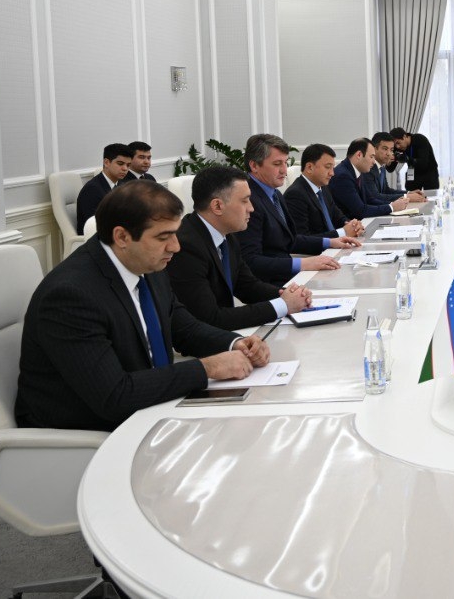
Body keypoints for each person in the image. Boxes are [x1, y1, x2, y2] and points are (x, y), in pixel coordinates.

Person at [15, 180, 271, 432]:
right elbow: (114, 396)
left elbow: (183, 327)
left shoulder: (145, 262)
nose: (176, 246)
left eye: (175, 233)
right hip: (91, 432)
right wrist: (208, 368)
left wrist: (235, 343)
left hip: (151, 406)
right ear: (122, 236)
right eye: (163, 237)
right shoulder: (71, 295)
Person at [167, 166, 311, 330]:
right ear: (217, 206)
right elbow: (210, 318)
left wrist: (288, 294)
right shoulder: (185, 247)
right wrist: (283, 305)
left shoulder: (227, 235)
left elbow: (247, 286)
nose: (251, 208)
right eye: (244, 200)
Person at [236, 133, 355, 285]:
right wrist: (303, 264)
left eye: (285, 163)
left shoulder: (275, 194)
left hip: (288, 277)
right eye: (277, 164)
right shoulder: (247, 200)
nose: (284, 170)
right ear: (254, 166)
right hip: (269, 285)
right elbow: (251, 261)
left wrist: (330, 242)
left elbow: (289, 239)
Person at [284, 143, 365, 238]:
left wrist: (353, 226)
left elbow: (338, 216)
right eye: (327, 167)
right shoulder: (295, 194)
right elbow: (303, 238)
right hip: (320, 247)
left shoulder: (323, 187)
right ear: (309, 167)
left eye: (332, 168)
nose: (332, 173)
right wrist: (342, 232)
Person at [331, 138, 411, 219]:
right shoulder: (343, 176)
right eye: (371, 157)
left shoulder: (357, 170)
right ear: (359, 155)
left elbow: (370, 199)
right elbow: (361, 211)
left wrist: (393, 204)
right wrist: (391, 207)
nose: (373, 161)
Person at [75, 143, 133, 234]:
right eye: (120, 164)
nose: (125, 168)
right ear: (106, 162)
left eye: (128, 165)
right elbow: (94, 226)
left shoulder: (122, 185)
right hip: (96, 238)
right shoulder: (92, 189)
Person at [368, 132, 426, 204]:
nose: (389, 153)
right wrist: (406, 196)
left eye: (391, 150)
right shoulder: (367, 168)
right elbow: (375, 197)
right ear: (374, 149)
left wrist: (409, 193)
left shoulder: (382, 168)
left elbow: (386, 190)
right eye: (385, 149)